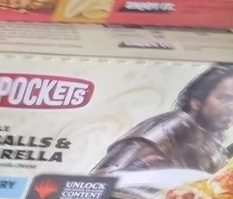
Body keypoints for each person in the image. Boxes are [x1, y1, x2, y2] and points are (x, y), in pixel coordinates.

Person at [93, 64, 233, 175]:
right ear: (195, 102)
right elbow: (103, 177)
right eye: (226, 99)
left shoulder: (214, 144)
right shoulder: (177, 124)